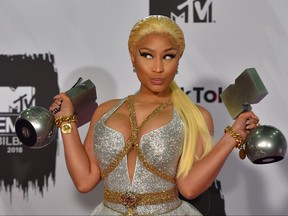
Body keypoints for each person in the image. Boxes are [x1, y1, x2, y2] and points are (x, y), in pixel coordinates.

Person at [49, 15, 259, 215]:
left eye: (168, 56)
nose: (158, 68)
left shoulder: (193, 116)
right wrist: (67, 121)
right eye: (147, 55)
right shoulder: (105, 111)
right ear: (132, 56)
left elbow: (189, 188)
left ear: (179, 59)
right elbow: (84, 181)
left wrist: (233, 136)